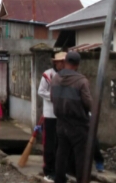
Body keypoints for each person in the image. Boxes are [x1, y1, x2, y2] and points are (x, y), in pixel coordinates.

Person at [50, 51, 92, 183]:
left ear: (65, 62)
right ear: (78, 64)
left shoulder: (55, 78)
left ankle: (59, 180)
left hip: (61, 122)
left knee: (61, 153)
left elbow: (52, 98)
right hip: (78, 124)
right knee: (81, 156)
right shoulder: (81, 81)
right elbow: (88, 102)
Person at [38, 52, 67, 182]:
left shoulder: (67, 75)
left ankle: (60, 170)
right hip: (50, 114)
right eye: (61, 61)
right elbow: (41, 91)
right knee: (49, 144)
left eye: (64, 62)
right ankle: (48, 170)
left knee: (61, 144)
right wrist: (54, 97)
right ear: (55, 62)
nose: (63, 64)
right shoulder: (48, 74)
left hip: (63, 115)